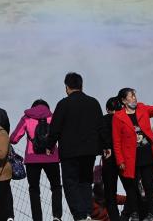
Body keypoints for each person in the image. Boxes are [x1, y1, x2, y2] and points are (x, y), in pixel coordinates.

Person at [113, 87, 153, 221]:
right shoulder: (118, 117)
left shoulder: (142, 108)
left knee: (148, 185)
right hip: (130, 158)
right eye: (131, 95)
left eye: (135, 95)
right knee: (133, 188)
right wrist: (120, 161)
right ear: (123, 100)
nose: (134, 97)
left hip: (146, 154)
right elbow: (116, 141)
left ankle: (152, 215)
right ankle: (135, 214)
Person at [49, 72, 103, 221]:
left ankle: (80, 216)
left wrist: (50, 145)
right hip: (89, 151)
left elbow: (54, 129)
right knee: (86, 182)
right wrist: (104, 146)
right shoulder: (94, 103)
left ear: (67, 87)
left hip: (69, 152)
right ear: (81, 85)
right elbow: (101, 127)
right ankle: (87, 213)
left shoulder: (63, 104)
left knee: (70, 184)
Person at [10, 99, 63, 221]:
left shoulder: (27, 118)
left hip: (32, 159)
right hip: (52, 157)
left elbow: (14, 138)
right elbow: (60, 134)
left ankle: (37, 219)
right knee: (56, 187)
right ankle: (57, 216)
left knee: (34, 190)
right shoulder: (53, 117)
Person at [100, 97, 123, 221]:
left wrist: (106, 147)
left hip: (109, 160)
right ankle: (130, 214)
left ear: (107, 109)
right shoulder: (124, 119)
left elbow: (101, 139)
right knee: (131, 189)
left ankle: (115, 218)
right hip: (124, 159)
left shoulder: (103, 120)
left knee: (110, 194)